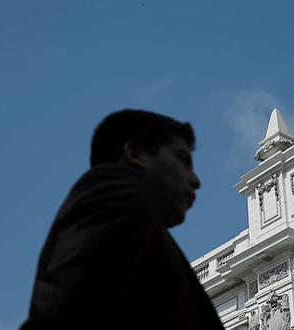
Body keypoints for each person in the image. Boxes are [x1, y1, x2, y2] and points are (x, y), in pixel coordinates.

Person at [21, 110, 224, 329]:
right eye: (183, 160)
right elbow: (68, 309)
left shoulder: (131, 212)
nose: (196, 180)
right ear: (134, 153)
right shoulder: (119, 195)